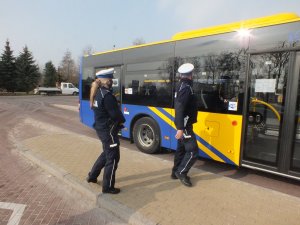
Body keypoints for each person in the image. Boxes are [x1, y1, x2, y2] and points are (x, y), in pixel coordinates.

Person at [86, 68, 125, 194]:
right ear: (106, 81)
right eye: (110, 79)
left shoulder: (98, 92)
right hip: (109, 131)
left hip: (101, 129)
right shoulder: (107, 96)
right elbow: (116, 115)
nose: (112, 81)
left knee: (106, 154)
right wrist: (122, 120)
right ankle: (107, 187)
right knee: (113, 158)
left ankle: (92, 176)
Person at [171, 63, 198, 187]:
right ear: (191, 75)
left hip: (183, 124)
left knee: (181, 150)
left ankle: (175, 172)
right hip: (185, 125)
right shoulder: (186, 87)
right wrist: (181, 128)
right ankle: (182, 172)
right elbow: (180, 107)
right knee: (193, 151)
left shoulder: (180, 85)